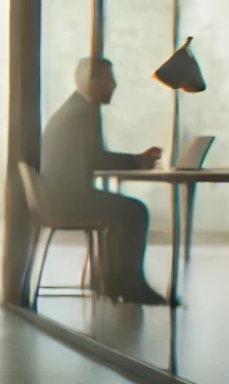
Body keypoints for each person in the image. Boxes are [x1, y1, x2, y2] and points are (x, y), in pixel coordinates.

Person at [38, 57, 167, 305]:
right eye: (109, 78)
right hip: (66, 201)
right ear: (91, 81)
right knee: (134, 211)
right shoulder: (82, 113)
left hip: (57, 197)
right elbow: (95, 158)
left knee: (123, 211)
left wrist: (134, 160)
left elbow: (92, 157)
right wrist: (135, 162)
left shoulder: (76, 109)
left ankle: (115, 283)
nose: (114, 85)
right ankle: (129, 286)